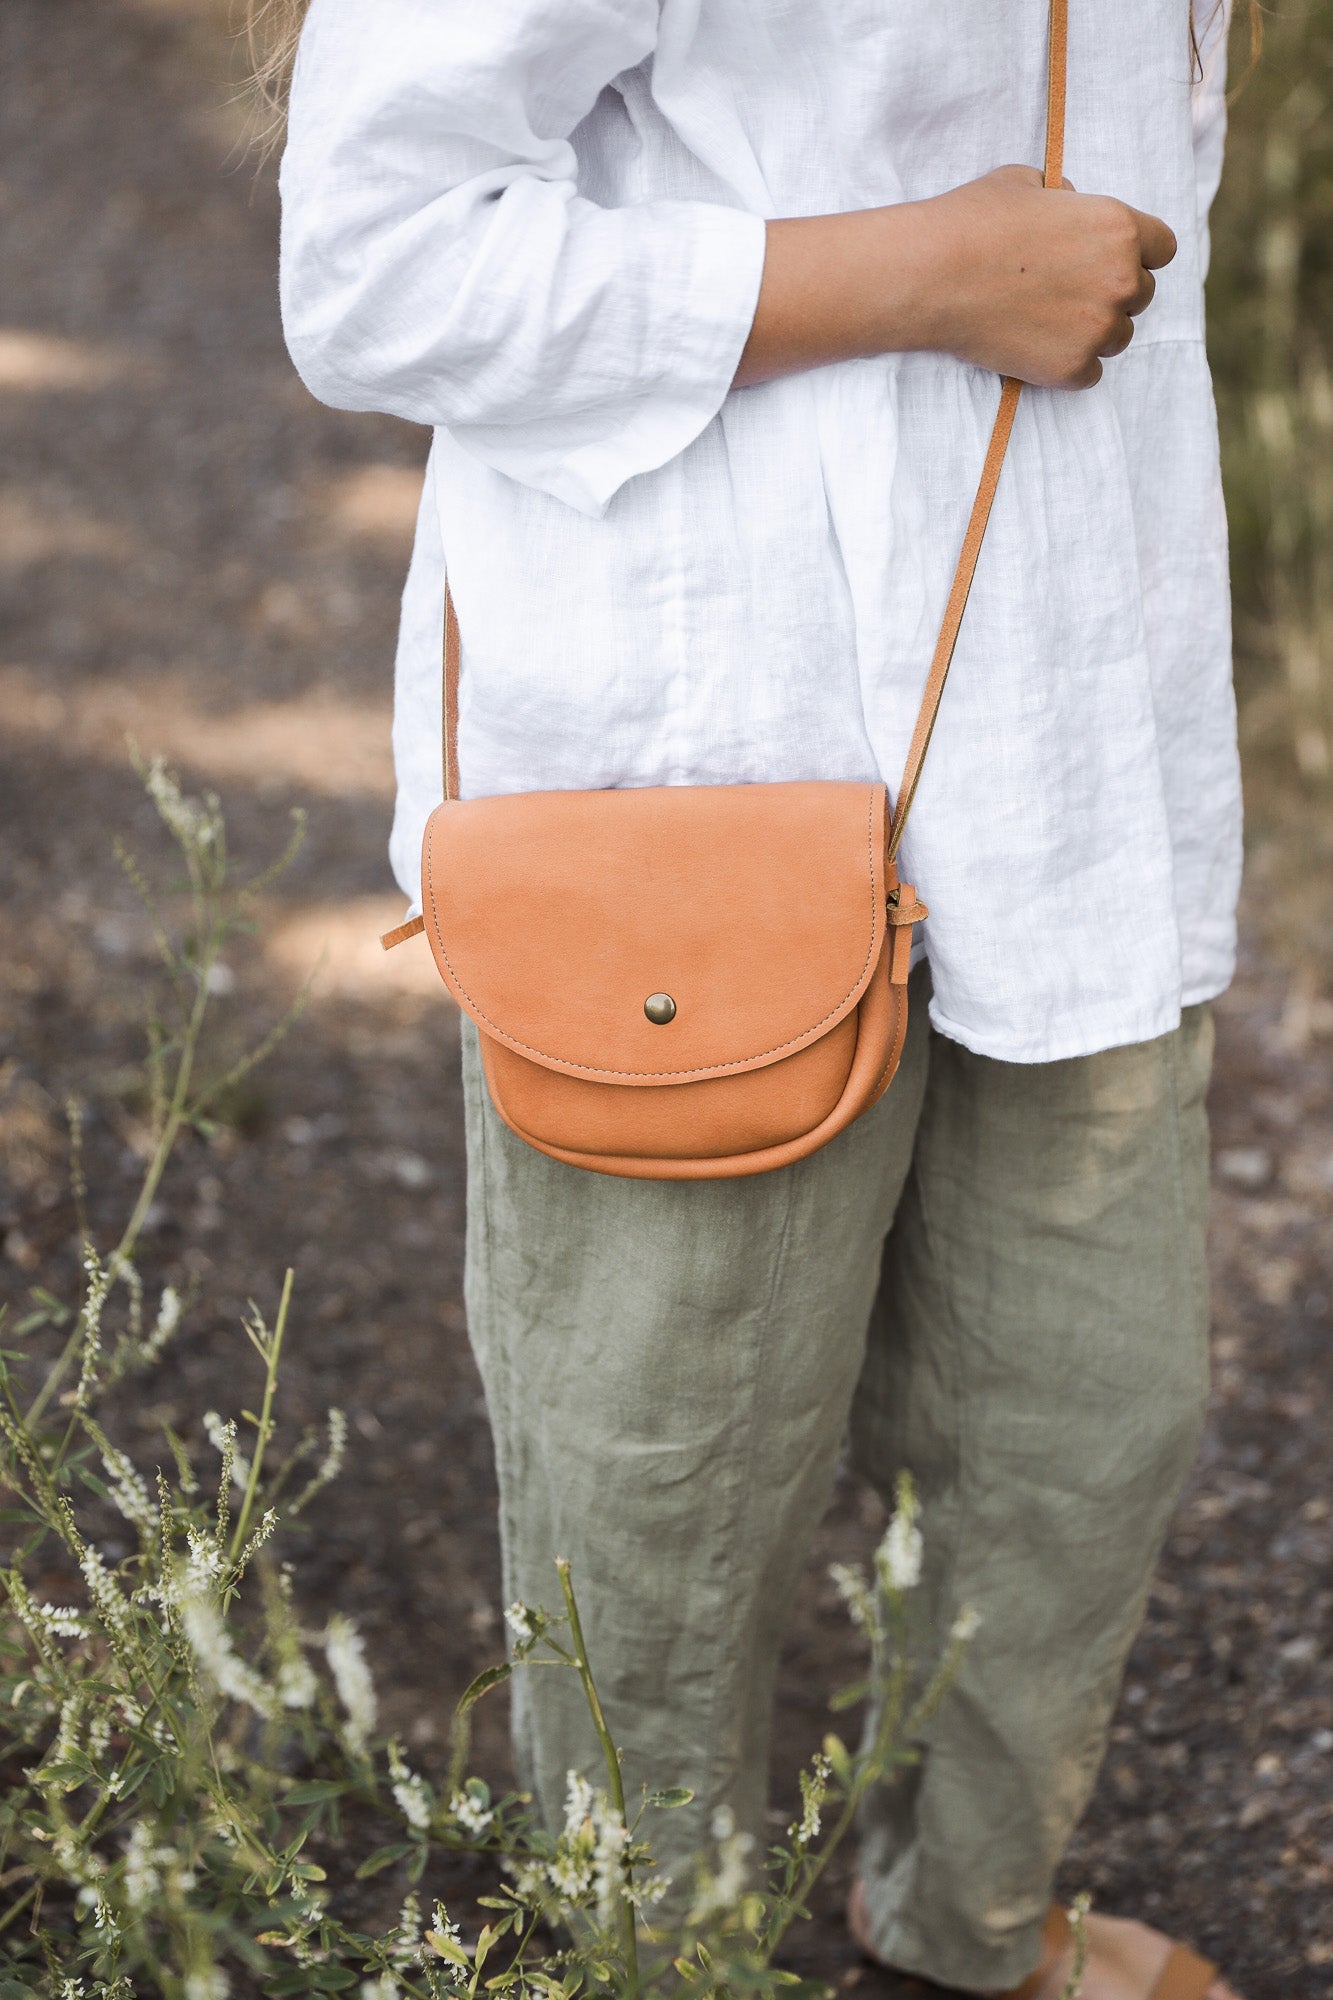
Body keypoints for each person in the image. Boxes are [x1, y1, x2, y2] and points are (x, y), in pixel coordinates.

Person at [272, 2, 1250, 1994]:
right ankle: (653, 1966)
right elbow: (376, 263)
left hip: (1073, 726)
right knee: (666, 1465)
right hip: (708, 743)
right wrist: (921, 276)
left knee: (1076, 1420)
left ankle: (965, 1923)